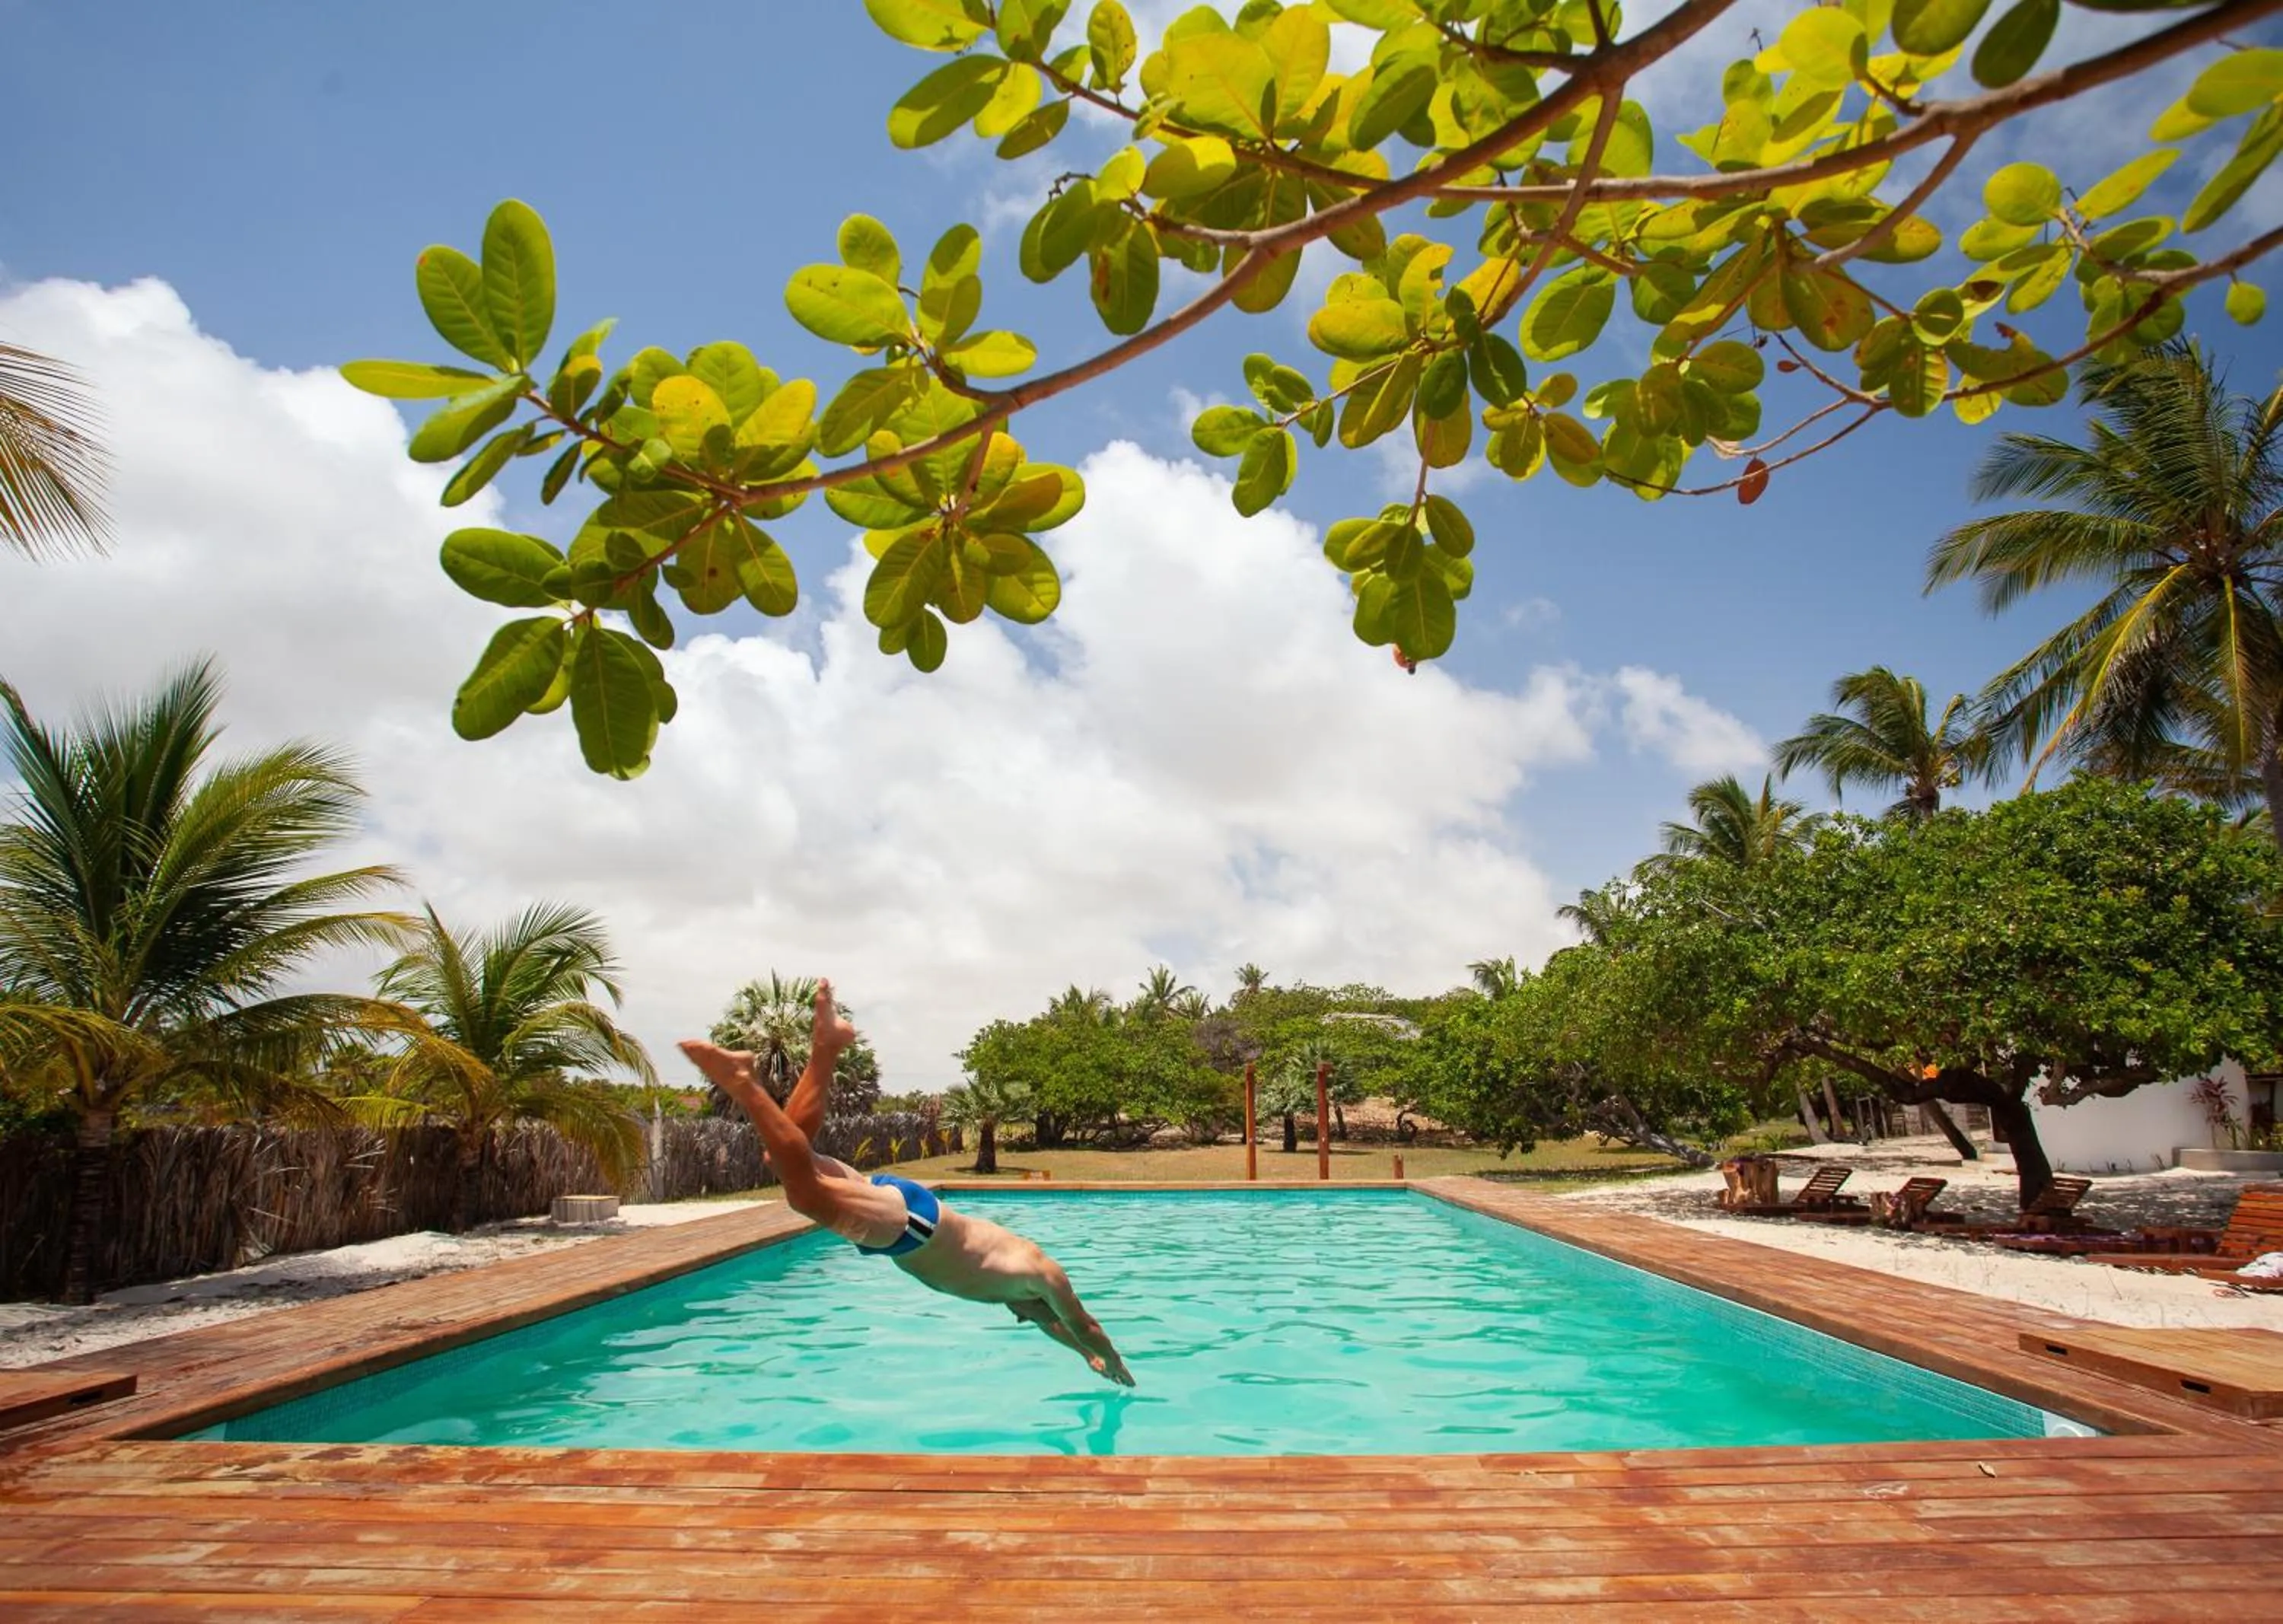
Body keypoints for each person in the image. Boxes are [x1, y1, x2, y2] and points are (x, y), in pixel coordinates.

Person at [680, 980, 1135, 1387]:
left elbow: (1054, 1325)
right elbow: (1084, 1324)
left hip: (906, 1211)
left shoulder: (1026, 1295)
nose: (1021, 1316)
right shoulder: (1045, 1275)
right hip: (916, 1227)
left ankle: (827, 1045)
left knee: (784, 1158)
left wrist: (1085, 1356)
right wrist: (1111, 1358)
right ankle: (744, 1082)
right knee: (806, 1196)